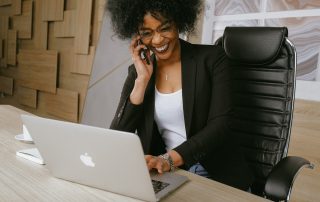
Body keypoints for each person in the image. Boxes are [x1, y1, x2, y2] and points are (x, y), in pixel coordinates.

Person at [107, 0, 254, 191]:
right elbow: (118, 135)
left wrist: (169, 159)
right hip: (167, 174)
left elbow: (221, 124)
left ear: (179, 22)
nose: (158, 40)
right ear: (137, 36)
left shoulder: (213, 59)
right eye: (147, 33)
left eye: (165, 28)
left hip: (215, 172)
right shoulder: (138, 72)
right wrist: (142, 80)